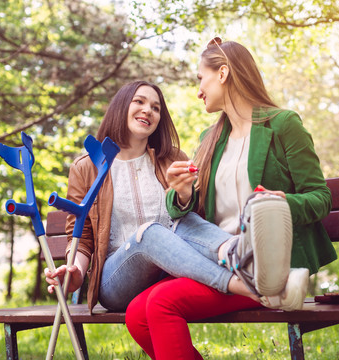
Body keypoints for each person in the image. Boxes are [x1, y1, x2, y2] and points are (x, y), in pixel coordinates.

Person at [124, 39, 337, 359]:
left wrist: (280, 205)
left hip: (267, 264)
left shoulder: (283, 125)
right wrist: (181, 193)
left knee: (161, 303)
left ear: (222, 73)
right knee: (135, 314)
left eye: (200, 78)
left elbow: (320, 197)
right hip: (218, 260)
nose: (198, 90)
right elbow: (193, 214)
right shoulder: (209, 140)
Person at [45, 80, 259, 312]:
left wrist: (185, 195)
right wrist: (74, 269)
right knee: (150, 232)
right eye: (139, 101)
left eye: (156, 108)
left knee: (183, 222)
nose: (148, 110)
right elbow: (81, 236)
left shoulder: (173, 158)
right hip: (117, 282)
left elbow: (195, 222)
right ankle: (241, 284)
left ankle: (250, 260)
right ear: (121, 107)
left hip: (173, 269)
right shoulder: (88, 167)